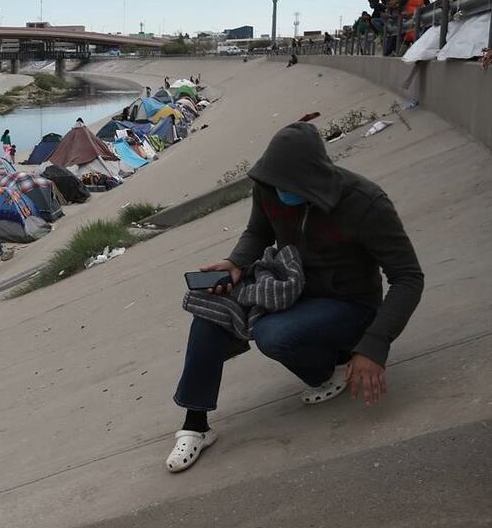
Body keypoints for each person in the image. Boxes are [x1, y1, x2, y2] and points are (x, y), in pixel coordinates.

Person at [165, 122, 423, 472]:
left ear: (312, 178)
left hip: (349, 305)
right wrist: (237, 262)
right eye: (274, 185)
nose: (278, 192)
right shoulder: (270, 188)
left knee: (274, 334)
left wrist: (374, 346)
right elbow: (258, 231)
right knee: (212, 305)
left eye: (287, 186)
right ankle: (195, 423)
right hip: (291, 287)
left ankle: (333, 366)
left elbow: (408, 278)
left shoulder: (366, 204)